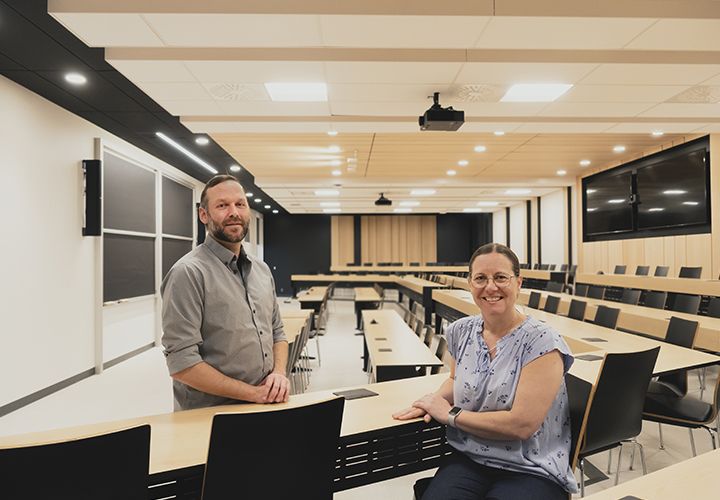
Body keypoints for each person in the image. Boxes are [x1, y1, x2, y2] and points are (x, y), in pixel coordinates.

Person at [393, 243, 578, 499]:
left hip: (530, 466)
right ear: (469, 284)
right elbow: (455, 379)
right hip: (471, 455)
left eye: (501, 277)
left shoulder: (542, 341)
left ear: (518, 283)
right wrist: (433, 401)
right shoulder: (461, 330)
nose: (490, 287)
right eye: (480, 278)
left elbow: (521, 425)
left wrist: (450, 415)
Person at [161, 174, 289, 410]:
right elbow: (182, 363)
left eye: (240, 204)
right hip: (211, 416)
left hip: (264, 406)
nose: (234, 212)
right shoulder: (188, 273)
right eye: (222, 205)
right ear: (203, 215)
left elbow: (278, 334)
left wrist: (279, 374)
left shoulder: (261, 270)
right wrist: (255, 394)